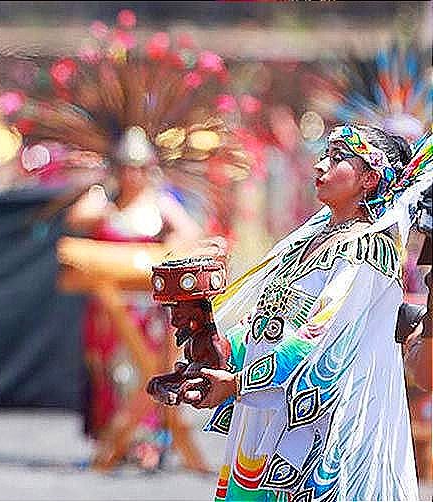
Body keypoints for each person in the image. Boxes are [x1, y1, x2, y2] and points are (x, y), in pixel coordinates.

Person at [152, 124, 431, 500]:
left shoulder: (369, 250)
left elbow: (316, 337)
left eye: (337, 160)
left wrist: (236, 385)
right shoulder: (311, 238)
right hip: (272, 404)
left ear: (369, 177)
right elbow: (268, 321)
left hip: (324, 419)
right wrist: (217, 347)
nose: (321, 167)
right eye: (324, 157)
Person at [67, 137, 205, 469]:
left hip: (147, 306)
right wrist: (104, 196)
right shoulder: (105, 202)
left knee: (149, 369)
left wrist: (167, 248)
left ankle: (147, 441)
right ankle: (116, 436)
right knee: (114, 371)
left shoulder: (160, 204)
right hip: (110, 305)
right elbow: (76, 219)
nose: (133, 175)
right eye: (127, 168)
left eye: (139, 168)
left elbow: (192, 233)